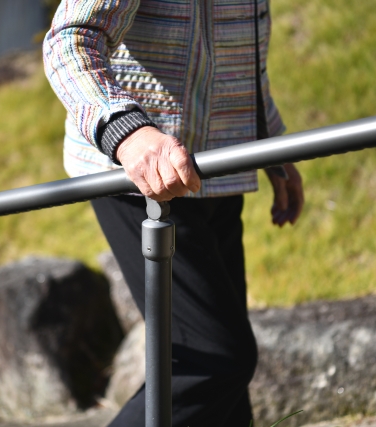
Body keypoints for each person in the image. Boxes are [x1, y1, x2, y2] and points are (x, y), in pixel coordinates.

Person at [43, 0, 304, 425]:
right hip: (139, 177)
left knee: (226, 399)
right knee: (210, 363)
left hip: (216, 165)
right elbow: (69, 40)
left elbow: (240, 45)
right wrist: (128, 133)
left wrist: (270, 141)